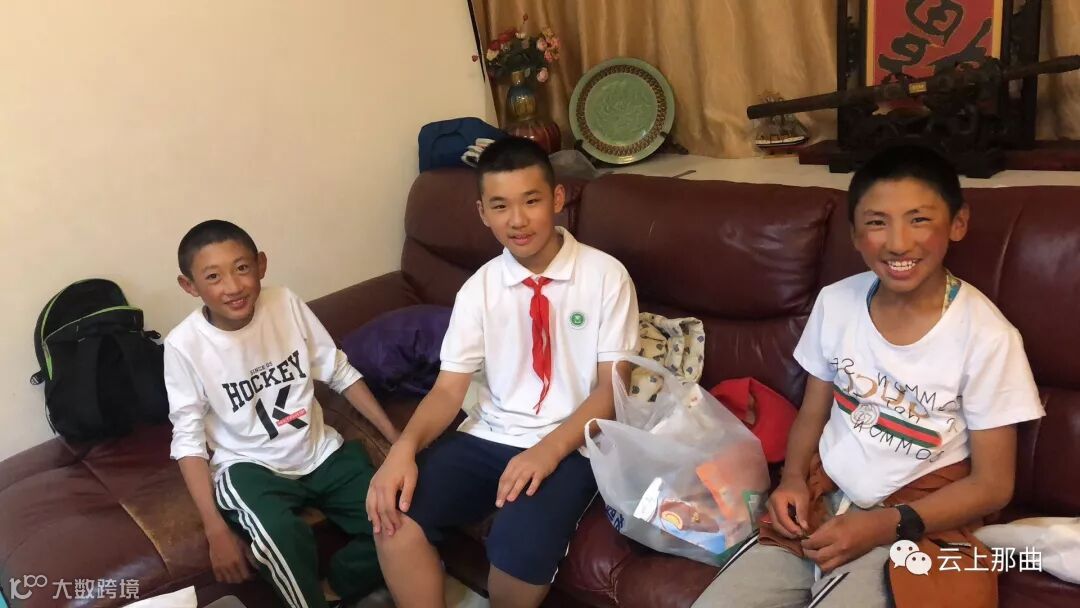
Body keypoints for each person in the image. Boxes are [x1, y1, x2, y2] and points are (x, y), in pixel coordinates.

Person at [693, 146, 1045, 608]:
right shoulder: (836, 303)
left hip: (915, 524)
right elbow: (812, 413)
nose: (898, 243)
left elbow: (993, 485)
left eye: (919, 219)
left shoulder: (988, 337)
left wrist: (884, 525)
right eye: (877, 222)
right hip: (821, 504)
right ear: (855, 235)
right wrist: (792, 479)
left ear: (957, 223)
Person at [366, 137, 639, 608]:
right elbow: (448, 390)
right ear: (482, 213)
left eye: (531, 201)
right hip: (490, 433)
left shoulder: (605, 276)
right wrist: (402, 450)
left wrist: (547, 452)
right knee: (393, 514)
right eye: (500, 206)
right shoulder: (479, 289)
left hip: (573, 440)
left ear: (557, 199)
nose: (517, 220)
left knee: (517, 554)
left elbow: (612, 390)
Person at [165, 220, 399, 608]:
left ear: (261, 264)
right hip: (250, 465)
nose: (233, 286)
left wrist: (396, 439)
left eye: (242, 268)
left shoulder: (285, 302)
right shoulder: (183, 345)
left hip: (319, 451)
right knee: (278, 536)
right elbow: (187, 438)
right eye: (213, 276)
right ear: (190, 286)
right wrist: (215, 529)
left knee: (401, 519)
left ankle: (336, 586)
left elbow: (338, 370)